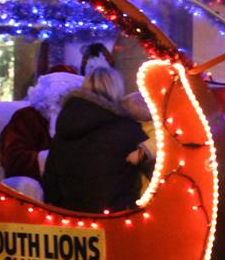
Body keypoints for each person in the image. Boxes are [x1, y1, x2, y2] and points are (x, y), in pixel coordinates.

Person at [43, 67, 147, 213]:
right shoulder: (127, 129)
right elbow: (155, 168)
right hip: (117, 218)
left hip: (71, 218)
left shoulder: (64, 127)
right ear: (117, 89)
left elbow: (50, 182)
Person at [0, 71, 83, 183]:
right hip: (37, 184)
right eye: (62, 98)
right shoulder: (27, 117)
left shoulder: (80, 121)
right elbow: (13, 159)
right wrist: (54, 159)